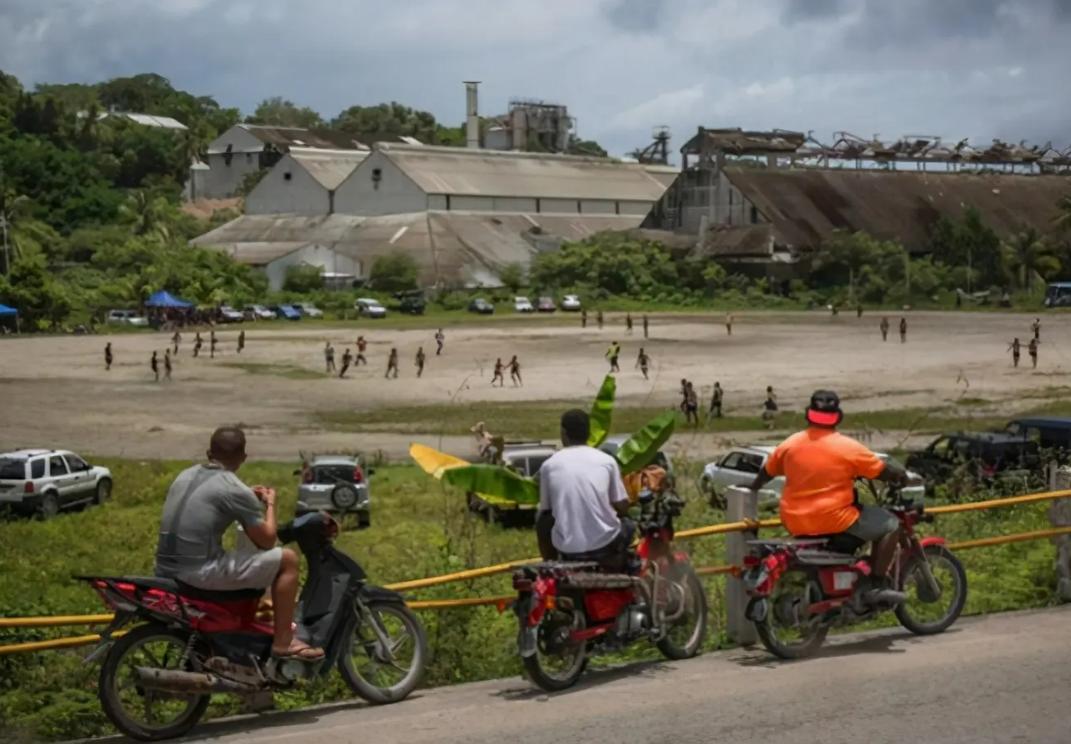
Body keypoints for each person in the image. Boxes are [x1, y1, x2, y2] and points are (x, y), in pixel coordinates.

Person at [155, 427, 323, 659]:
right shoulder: (233, 488)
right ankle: (284, 642)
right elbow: (267, 540)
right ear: (243, 457)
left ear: (208, 453)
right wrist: (271, 504)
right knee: (288, 560)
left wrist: (244, 495)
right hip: (198, 572)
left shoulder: (184, 475)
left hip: (164, 568)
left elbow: (212, 499)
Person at [748, 391, 910, 606]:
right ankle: (877, 585)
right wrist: (900, 476)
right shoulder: (848, 447)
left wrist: (751, 489)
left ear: (808, 415)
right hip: (835, 520)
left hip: (794, 521)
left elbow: (766, 473)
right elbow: (883, 470)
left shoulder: (789, 444)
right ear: (838, 417)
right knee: (891, 525)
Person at [535, 409, 632, 569]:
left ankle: (550, 563)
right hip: (606, 546)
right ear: (588, 434)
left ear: (563, 433)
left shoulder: (549, 466)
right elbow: (622, 505)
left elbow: (546, 513)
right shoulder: (607, 461)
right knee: (629, 524)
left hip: (568, 550)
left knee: (542, 519)